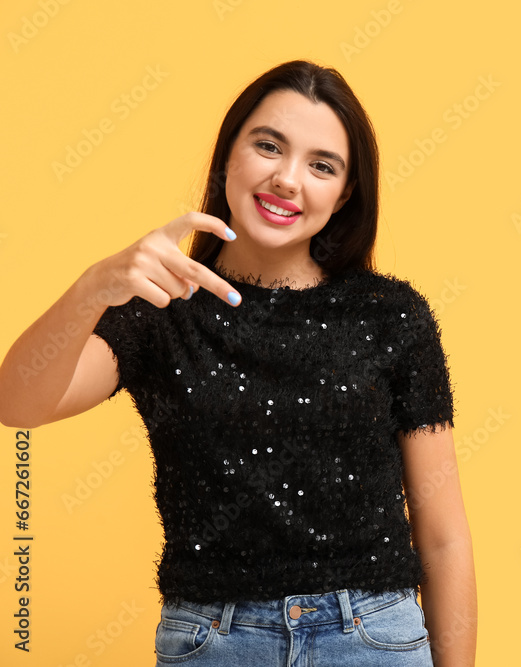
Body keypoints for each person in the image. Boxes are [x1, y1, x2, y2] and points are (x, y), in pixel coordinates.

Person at [0, 60, 476, 666]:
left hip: (372, 638)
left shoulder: (391, 316)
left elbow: (443, 538)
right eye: (269, 146)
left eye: (321, 165)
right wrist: (94, 286)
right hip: (214, 642)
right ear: (230, 154)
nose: (287, 179)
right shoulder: (160, 312)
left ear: (346, 192)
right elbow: (15, 403)